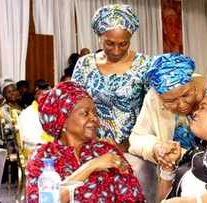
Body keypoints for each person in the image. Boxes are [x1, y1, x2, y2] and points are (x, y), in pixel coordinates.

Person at [26, 81, 145, 203]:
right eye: (85, 113)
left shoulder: (106, 151)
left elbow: (134, 197)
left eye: (95, 113)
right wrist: (91, 166)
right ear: (63, 119)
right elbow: (44, 201)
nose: (94, 118)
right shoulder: (44, 156)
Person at [72, 4, 150, 151]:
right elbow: (74, 107)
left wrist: (128, 145)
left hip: (133, 150)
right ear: (99, 37)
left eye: (123, 44)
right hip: (90, 148)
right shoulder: (85, 64)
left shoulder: (144, 64)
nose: (116, 51)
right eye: (109, 43)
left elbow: (151, 112)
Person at [19, 79, 53, 158]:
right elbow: (28, 137)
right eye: (40, 94)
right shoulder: (27, 113)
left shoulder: (54, 110)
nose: (44, 98)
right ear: (35, 96)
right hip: (34, 153)